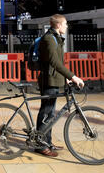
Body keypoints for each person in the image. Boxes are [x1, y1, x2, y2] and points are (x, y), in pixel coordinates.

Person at [36, 14, 84, 157]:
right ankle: (40, 144)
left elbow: (58, 62)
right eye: (65, 24)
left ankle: (47, 142)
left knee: (50, 113)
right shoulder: (49, 39)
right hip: (49, 80)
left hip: (55, 80)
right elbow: (54, 63)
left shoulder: (55, 38)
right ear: (58, 25)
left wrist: (66, 79)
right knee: (46, 112)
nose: (67, 26)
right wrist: (73, 76)